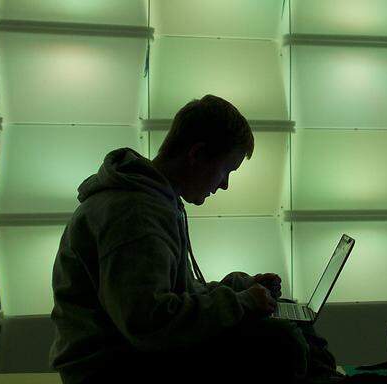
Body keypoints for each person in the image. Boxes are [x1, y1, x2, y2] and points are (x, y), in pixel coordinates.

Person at [50, 95, 310, 383]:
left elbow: (171, 296)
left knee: (287, 327)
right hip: (112, 368)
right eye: (226, 171)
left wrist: (238, 288)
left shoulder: (153, 201)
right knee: (281, 342)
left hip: (127, 354)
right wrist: (242, 303)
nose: (224, 185)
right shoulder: (134, 216)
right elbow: (151, 324)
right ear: (196, 155)